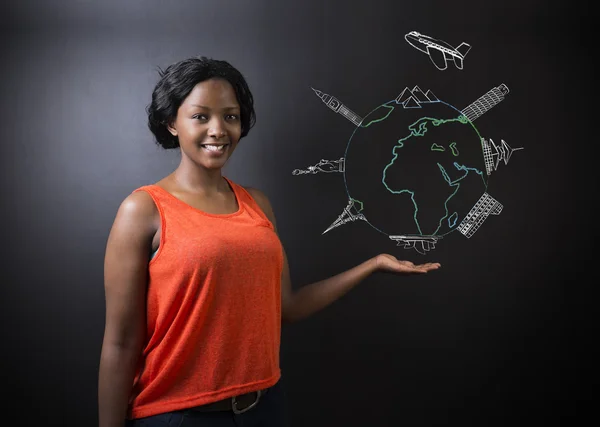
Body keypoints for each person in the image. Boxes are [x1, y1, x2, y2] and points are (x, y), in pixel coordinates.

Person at [98, 56, 441, 427]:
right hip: (178, 417)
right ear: (172, 123)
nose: (218, 130)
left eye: (230, 116)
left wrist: (373, 264)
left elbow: (287, 307)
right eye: (201, 116)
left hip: (264, 409)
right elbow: (120, 344)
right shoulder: (144, 209)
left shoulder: (257, 204)